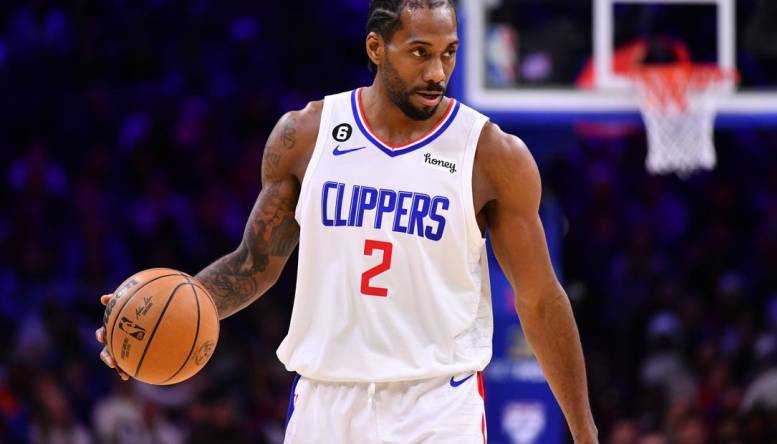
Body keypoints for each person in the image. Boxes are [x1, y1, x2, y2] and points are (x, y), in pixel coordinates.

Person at [96, 1, 598, 442]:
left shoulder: (491, 155)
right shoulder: (306, 135)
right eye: (420, 52)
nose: (437, 72)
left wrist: (584, 431)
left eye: (449, 52)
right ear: (376, 47)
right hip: (326, 403)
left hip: (437, 406)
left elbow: (539, 299)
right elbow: (254, 263)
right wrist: (151, 321)